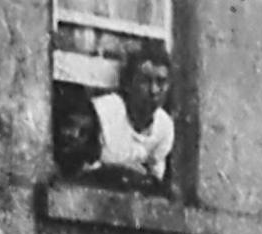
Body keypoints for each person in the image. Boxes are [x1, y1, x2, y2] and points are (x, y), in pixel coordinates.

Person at [54, 49, 175, 190]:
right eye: (145, 81)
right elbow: (82, 170)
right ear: (129, 84)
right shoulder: (106, 110)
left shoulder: (165, 126)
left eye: (161, 82)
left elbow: (155, 177)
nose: (154, 90)